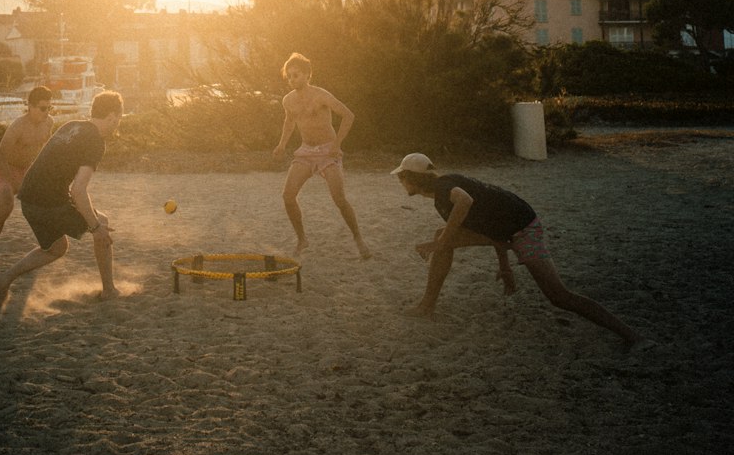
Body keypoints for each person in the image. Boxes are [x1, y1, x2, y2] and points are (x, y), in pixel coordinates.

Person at [392, 152, 638, 345]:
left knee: (559, 296)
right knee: (442, 236)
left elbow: (466, 201)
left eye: (401, 177)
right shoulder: (442, 194)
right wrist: (504, 266)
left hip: (524, 229)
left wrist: (442, 243)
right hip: (508, 228)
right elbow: (491, 227)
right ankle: (427, 305)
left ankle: (631, 335)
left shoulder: (445, 188)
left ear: (412, 179)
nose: (400, 182)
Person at [0, 90, 124, 306]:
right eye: (118, 120)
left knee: (56, 248)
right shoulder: (95, 141)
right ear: (112, 117)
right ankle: (109, 290)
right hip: (48, 200)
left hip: (28, 198)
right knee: (103, 223)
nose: (118, 124)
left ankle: (3, 280)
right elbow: (78, 191)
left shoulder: (70, 125)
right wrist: (96, 227)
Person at [273, 53, 371, 259]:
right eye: (289, 76)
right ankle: (302, 239)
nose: (292, 79)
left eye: (296, 75)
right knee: (288, 197)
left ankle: (358, 238)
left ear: (308, 74)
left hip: (328, 151)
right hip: (306, 152)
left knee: (339, 199)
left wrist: (337, 144)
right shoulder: (288, 100)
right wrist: (281, 144)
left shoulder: (321, 95)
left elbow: (348, 115)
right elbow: (289, 122)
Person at [0, 85, 55, 263]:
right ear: (30, 106)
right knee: (6, 208)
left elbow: (47, 148)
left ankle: (48, 246)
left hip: (28, 169)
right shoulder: (18, 126)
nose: (46, 112)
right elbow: (0, 157)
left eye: (49, 108)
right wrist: (15, 183)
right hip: (5, 169)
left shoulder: (48, 122)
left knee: (44, 207)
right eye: (43, 108)